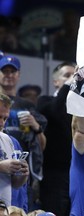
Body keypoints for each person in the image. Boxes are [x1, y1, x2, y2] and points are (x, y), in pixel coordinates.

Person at [0, 54, 47, 211]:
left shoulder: (27, 106)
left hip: (15, 174)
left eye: (5, 118)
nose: (2, 122)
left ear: (19, 74)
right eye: (4, 71)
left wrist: (36, 126)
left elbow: (41, 145)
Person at [37, 61, 75, 216]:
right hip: (54, 174)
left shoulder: (81, 107)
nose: (73, 78)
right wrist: (67, 86)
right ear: (55, 82)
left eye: (74, 75)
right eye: (67, 75)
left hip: (76, 173)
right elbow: (57, 111)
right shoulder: (44, 101)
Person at [0, 93, 29, 207]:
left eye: (5, 118)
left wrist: (22, 175)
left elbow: (15, 184)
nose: (2, 122)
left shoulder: (9, 141)